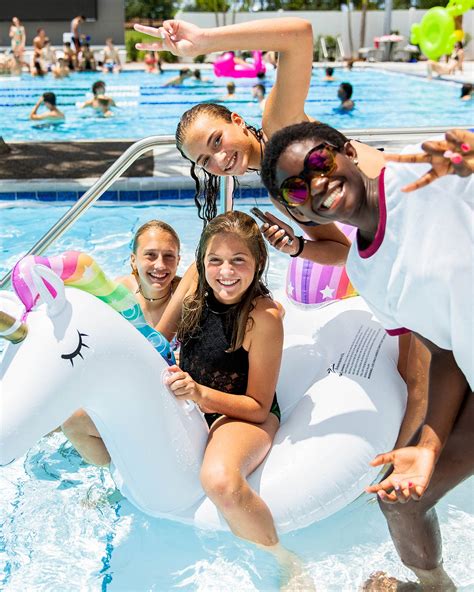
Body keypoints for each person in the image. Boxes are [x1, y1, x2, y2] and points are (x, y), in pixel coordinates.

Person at [260, 121, 473, 589]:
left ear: (347, 151)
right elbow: (442, 351)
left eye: (320, 161)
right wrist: (427, 446)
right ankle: (437, 586)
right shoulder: (364, 269)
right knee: (400, 498)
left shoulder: (422, 170)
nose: (316, 184)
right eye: (296, 187)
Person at [157, 210, 313, 589]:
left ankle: (285, 561)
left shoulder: (263, 318)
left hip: (240, 414)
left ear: (258, 264)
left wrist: (199, 394)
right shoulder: (196, 282)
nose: (225, 272)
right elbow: (159, 339)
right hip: (190, 399)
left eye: (238, 260)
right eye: (215, 260)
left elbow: (258, 406)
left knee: (220, 481)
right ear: (201, 261)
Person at [134, 18, 350, 266]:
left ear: (238, 121)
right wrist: (296, 246)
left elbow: (299, 35)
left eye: (217, 141)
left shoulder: (279, 127)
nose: (219, 159)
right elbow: (344, 253)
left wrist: (204, 41)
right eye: (205, 160)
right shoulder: (280, 194)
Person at [62, 220, 182, 467]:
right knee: (63, 418)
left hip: (172, 395)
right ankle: (110, 471)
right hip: (129, 388)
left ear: (179, 261)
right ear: (133, 260)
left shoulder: (186, 297)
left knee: (74, 421)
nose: (160, 265)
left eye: (169, 256)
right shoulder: (117, 294)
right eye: (150, 255)